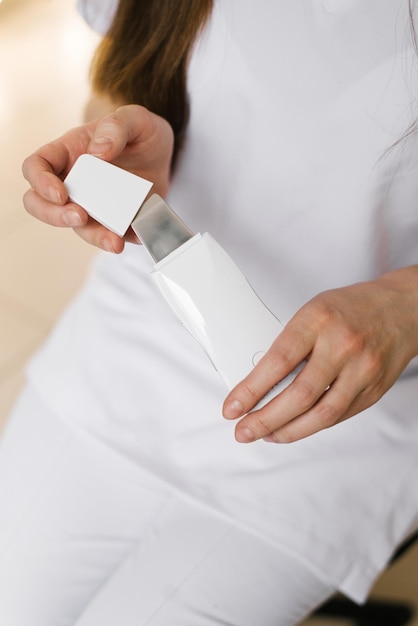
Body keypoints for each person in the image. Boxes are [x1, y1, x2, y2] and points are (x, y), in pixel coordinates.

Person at [1, 0, 418, 624]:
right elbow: (113, 84)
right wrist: (114, 145)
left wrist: (407, 304)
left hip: (338, 424)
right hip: (130, 348)